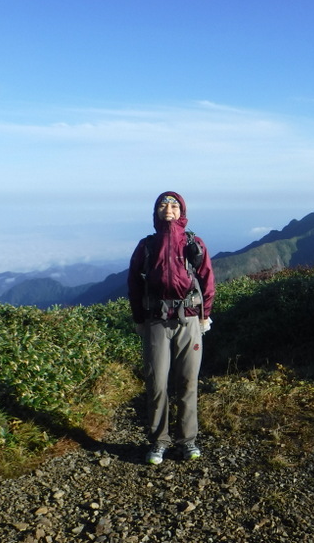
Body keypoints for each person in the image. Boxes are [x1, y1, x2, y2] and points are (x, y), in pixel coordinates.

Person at [127, 191, 215, 465]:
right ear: (156, 212)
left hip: (189, 319)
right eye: (163, 204)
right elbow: (134, 282)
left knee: (188, 382)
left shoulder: (194, 243)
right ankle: (159, 441)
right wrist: (139, 318)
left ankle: (187, 440)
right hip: (155, 319)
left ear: (182, 212)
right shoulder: (147, 246)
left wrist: (205, 316)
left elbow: (207, 279)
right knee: (157, 383)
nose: (169, 208)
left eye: (174, 205)